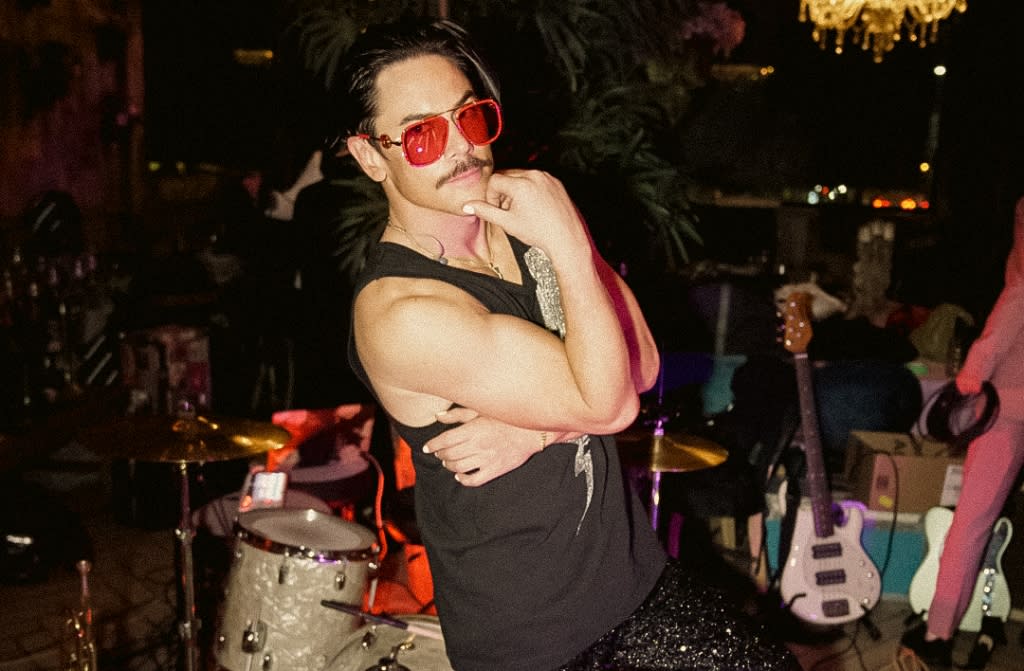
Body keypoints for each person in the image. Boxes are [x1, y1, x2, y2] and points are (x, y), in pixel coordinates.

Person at [337, 17, 799, 671]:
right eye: (421, 134)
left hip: (631, 578)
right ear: (369, 156)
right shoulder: (402, 312)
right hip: (542, 635)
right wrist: (569, 243)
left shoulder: (522, 226)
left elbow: (641, 364)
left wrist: (538, 428)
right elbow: (610, 408)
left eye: (470, 118)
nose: (461, 148)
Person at [901, 196, 1024, 668]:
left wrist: (969, 381)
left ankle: (938, 634)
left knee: (969, 526)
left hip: (1006, 411)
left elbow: (1000, 328)